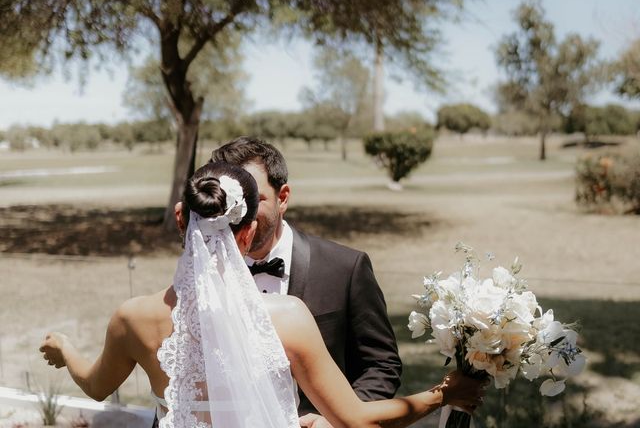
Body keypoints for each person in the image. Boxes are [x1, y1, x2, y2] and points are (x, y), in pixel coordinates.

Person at [40, 162, 485, 428]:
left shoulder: (132, 319)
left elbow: (96, 386)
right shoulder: (287, 317)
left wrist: (65, 349)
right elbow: (358, 421)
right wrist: (443, 393)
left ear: (181, 219)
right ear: (250, 229)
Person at [209, 137, 402, 420]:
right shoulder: (204, 277)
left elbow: (382, 366)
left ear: (283, 197)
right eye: (230, 202)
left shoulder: (345, 267)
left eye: (254, 199)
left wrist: (335, 420)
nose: (239, 213)